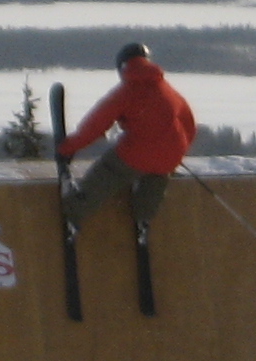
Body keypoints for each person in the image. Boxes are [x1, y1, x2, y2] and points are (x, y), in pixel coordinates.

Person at [58, 42, 196, 233]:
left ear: (122, 66)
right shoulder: (167, 89)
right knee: (156, 177)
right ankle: (143, 219)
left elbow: (95, 126)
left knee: (108, 171)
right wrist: (175, 152)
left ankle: (75, 212)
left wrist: (67, 148)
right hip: (172, 154)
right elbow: (189, 124)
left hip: (139, 153)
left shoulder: (126, 91)